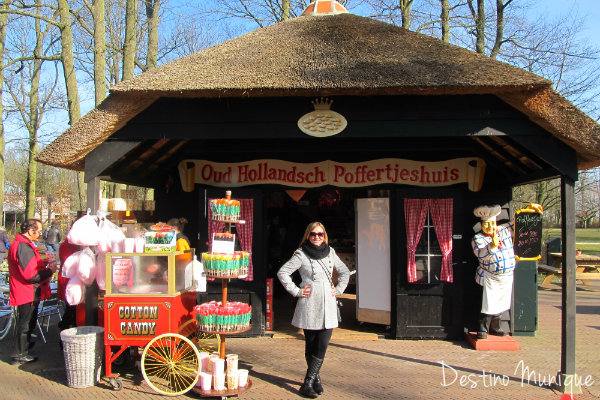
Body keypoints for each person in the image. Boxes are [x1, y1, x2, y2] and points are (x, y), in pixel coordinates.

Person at [277, 222, 350, 398]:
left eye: (319, 234)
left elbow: (344, 272)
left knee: (322, 344)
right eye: (313, 234)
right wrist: (297, 291)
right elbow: (283, 272)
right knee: (311, 345)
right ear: (308, 235)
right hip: (310, 304)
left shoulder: (330, 252)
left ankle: (307, 382)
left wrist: (338, 289)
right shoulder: (301, 254)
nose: (316, 237)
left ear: (324, 235)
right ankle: (315, 380)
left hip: (329, 304)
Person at [8, 219, 58, 365]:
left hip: (26, 290)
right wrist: (49, 271)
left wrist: (43, 262)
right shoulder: (23, 247)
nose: (41, 234)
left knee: (27, 321)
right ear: (30, 231)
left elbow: (31, 265)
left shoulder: (23, 245)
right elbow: (30, 276)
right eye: (39, 230)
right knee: (26, 322)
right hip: (26, 291)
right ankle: (19, 353)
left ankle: (23, 347)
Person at [471, 205, 515, 339]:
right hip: (488, 277)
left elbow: (520, 224)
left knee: (502, 302)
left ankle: (496, 327)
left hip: (505, 276)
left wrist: (530, 213)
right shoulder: (478, 239)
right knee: (486, 303)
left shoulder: (504, 230)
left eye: (491, 223)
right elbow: (481, 254)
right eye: (485, 224)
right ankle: (482, 329)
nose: (489, 227)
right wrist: (492, 246)